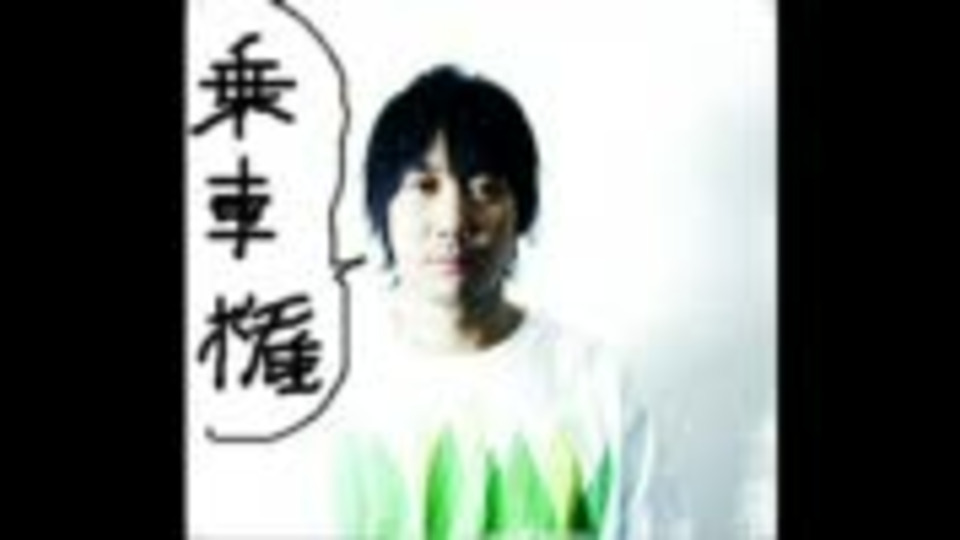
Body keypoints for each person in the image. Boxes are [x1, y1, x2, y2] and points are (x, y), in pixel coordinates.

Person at [322, 64, 685, 538]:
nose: (453, 221)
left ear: (522, 213)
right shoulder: (338, 392)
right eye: (425, 186)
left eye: (485, 189)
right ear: (381, 208)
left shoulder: (597, 384)